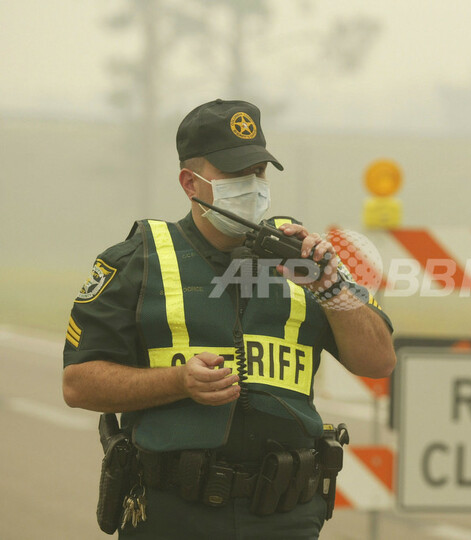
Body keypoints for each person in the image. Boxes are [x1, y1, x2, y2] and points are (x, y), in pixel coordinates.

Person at [62, 98, 396, 539]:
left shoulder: (304, 257)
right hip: (171, 512)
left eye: (258, 172)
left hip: (285, 514)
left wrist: (330, 286)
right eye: (236, 174)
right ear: (190, 182)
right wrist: (178, 382)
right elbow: (78, 383)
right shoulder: (139, 260)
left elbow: (379, 362)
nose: (253, 184)